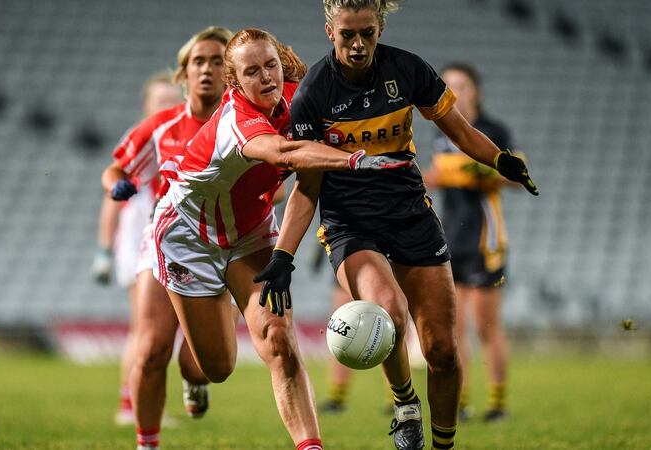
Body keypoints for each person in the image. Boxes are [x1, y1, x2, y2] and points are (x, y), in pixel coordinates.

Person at [253, 2, 538, 449]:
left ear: (380, 27)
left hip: (411, 215)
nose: (358, 44)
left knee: (442, 349)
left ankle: (442, 444)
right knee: (386, 310)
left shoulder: (406, 69)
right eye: (348, 34)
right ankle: (406, 407)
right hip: (350, 224)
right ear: (330, 31)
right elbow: (307, 186)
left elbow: (460, 131)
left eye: (367, 32)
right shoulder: (313, 94)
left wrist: (500, 160)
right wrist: (283, 254)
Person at [152, 28, 411, 450]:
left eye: (270, 65)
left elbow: (310, 175)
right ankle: (198, 363)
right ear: (234, 83)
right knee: (216, 367)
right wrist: (357, 160)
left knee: (278, 338)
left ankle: (310, 447)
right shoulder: (237, 117)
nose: (266, 77)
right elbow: (285, 154)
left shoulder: (298, 97)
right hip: (190, 237)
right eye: (251, 72)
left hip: (251, 233)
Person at [101, 26, 235, 450]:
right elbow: (116, 168)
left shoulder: (245, 126)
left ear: (231, 73)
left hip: (223, 247)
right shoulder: (162, 127)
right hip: (165, 243)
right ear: (184, 74)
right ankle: (147, 443)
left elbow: (278, 180)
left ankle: (195, 381)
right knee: (152, 347)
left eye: (218, 61)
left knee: (202, 365)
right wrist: (116, 186)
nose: (207, 70)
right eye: (198, 61)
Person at [423, 62, 519, 423]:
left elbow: (515, 175)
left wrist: (480, 171)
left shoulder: (493, 130)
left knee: (486, 325)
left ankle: (498, 403)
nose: (455, 92)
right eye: (448, 86)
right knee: (454, 327)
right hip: (450, 237)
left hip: (485, 239)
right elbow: (437, 176)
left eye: (461, 85)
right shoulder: (440, 131)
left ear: (475, 90)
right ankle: (461, 401)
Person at [91, 71, 183, 426]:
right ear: (147, 107)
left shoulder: (182, 136)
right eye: (161, 101)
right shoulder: (143, 142)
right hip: (139, 239)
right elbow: (113, 198)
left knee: (159, 330)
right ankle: (131, 405)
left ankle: (140, 402)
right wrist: (103, 248)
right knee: (145, 328)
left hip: (169, 240)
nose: (168, 107)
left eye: (174, 101)